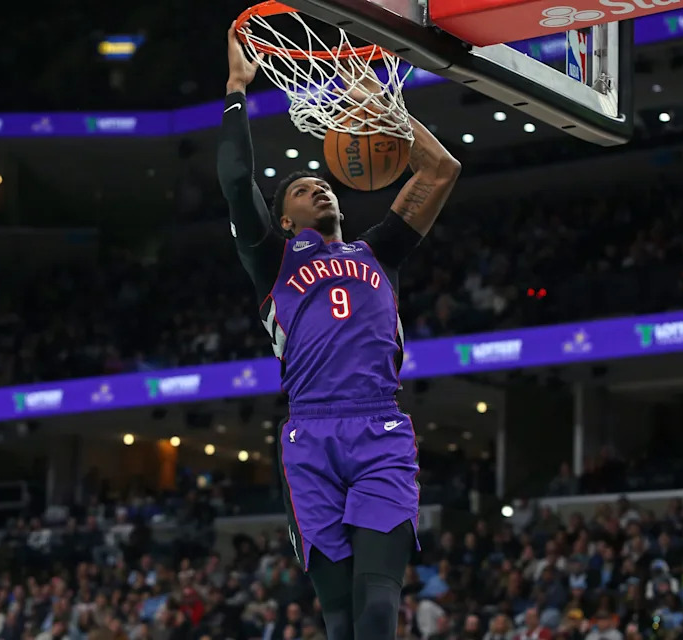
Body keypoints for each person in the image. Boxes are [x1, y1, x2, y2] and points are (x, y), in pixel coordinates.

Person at [217, 19, 460, 640]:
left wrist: (378, 104)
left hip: (378, 427)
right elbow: (234, 182)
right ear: (284, 214)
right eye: (301, 188)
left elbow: (440, 171)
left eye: (322, 182)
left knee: (378, 607)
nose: (317, 186)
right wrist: (236, 90)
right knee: (341, 618)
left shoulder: (381, 249)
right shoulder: (270, 259)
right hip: (310, 434)